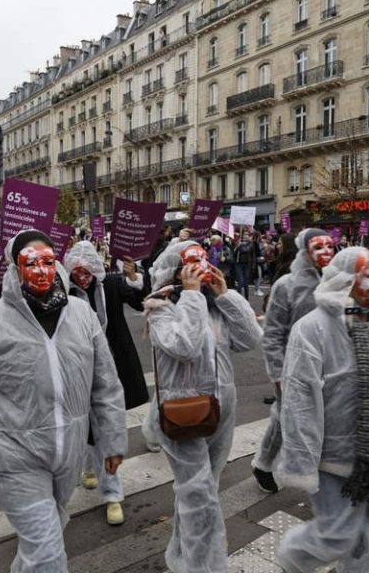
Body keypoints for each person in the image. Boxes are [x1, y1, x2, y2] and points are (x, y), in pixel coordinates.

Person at [0, 229, 127, 573]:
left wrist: (112, 440)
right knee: (47, 553)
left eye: (47, 261)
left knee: (45, 537)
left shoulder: (81, 314)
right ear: (14, 269)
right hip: (13, 457)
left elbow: (106, 386)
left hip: (67, 455)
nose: (42, 271)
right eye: (30, 263)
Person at [276, 247, 369, 572]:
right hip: (335, 460)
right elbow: (299, 402)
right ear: (347, 282)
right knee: (337, 536)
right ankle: (293, 558)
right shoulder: (311, 328)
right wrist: (302, 465)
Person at [143, 240, 262, 573]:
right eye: (190, 263)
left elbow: (251, 340)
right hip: (183, 413)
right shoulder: (160, 308)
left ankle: (182, 557)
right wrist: (193, 295)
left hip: (221, 411)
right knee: (200, 497)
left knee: (203, 489)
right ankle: (206, 566)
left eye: (203, 261)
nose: (200, 268)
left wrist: (226, 296)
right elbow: (185, 346)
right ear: (176, 271)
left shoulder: (213, 306)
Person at [63, 240, 149, 526]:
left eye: (88, 272)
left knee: (108, 426)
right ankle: (89, 468)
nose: (83, 277)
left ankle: (112, 493)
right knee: (84, 423)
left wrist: (134, 278)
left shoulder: (111, 284)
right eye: (77, 272)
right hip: (76, 369)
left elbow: (139, 301)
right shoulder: (62, 292)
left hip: (111, 366)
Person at [252, 228, 334, 493]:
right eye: (318, 247)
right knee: (285, 417)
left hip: (327, 365)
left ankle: (320, 470)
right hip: (292, 367)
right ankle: (265, 464)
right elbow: (273, 333)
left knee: (323, 417)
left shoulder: (337, 281)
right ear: (305, 251)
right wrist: (277, 374)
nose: (326, 252)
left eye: (330, 246)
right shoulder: (286, 285)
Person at [232, 228, 255, 299]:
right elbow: (233, 254)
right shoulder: (238, 243)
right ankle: (239, 298)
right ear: (242, 235)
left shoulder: (251, 245)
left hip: (247, 264)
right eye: (245, 234)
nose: (246, 236)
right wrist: (237, 246)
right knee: (241, 281)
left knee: (246, 283)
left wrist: (253, 266)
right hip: (238, 264)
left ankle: (246, 298)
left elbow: (253, 256)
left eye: (247, 234)